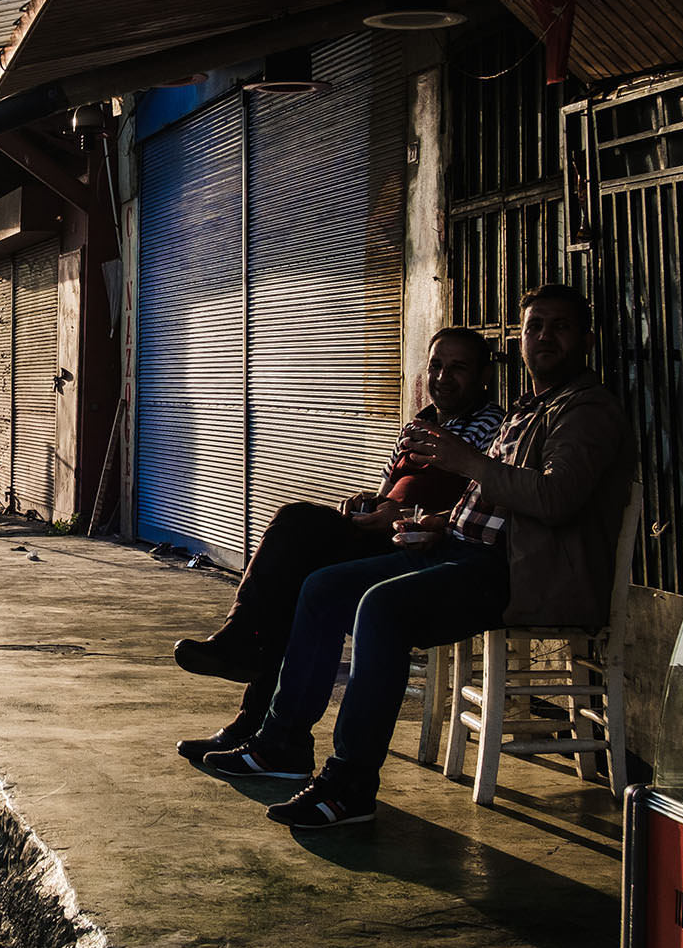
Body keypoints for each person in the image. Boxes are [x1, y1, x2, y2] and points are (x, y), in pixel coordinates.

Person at [205, 285, 636, 830]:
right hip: (460, 550)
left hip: (513, 576)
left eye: (560, 326)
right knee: (323, 586)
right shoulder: (533, 409)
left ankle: (349, 784)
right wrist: (439, 523)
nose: (545, 336)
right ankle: (282, 744)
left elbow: (556, 499)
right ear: (521, 342)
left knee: (380, 609)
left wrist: (469, 462)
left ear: (587, 341)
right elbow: (496, 503)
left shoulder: (587, 411)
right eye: (535, 326)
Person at [171, 329, 504, 764]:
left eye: (458, 367)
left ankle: (248, 668)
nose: (443, 377)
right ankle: (256, 721)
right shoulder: (416, 426)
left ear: (483, 375)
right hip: (380, 532)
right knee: (295, 572)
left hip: (422, 548)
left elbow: (478, 507)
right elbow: (388, 490)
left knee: (298, 529)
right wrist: (367, 503)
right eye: (436, 365)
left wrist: (404, 514)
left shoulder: (492, 427)